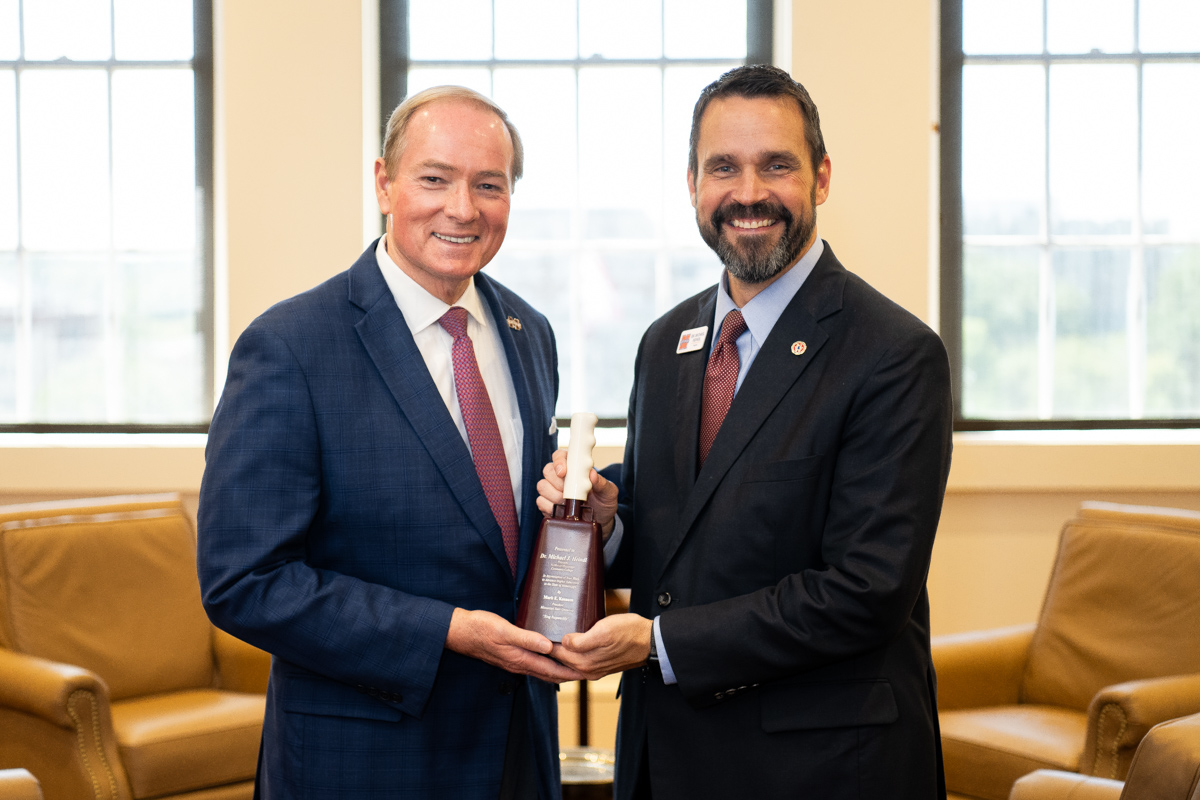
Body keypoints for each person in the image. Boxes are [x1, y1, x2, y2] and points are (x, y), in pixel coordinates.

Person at [538, 65, 953, 799]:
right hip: (665, 757)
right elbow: (676, 539)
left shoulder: (893, 354)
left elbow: (866, 590)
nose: (749, 193)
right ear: (692, 182)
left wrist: (658, 642)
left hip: (819, 769)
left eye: (778, 165)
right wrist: (605, 525)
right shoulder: (666, 343)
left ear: (821, 178)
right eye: (723, 166)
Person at [198, 86, 581, 800]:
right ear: (384, 182)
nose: (462, 208)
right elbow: (242, 582)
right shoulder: (291, 346)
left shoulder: (530, 334)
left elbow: (507, 528)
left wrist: (588, 515)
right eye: (435, 178)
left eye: (488, 185)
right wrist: (445, 631)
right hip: (364, 760)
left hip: (517, 753)